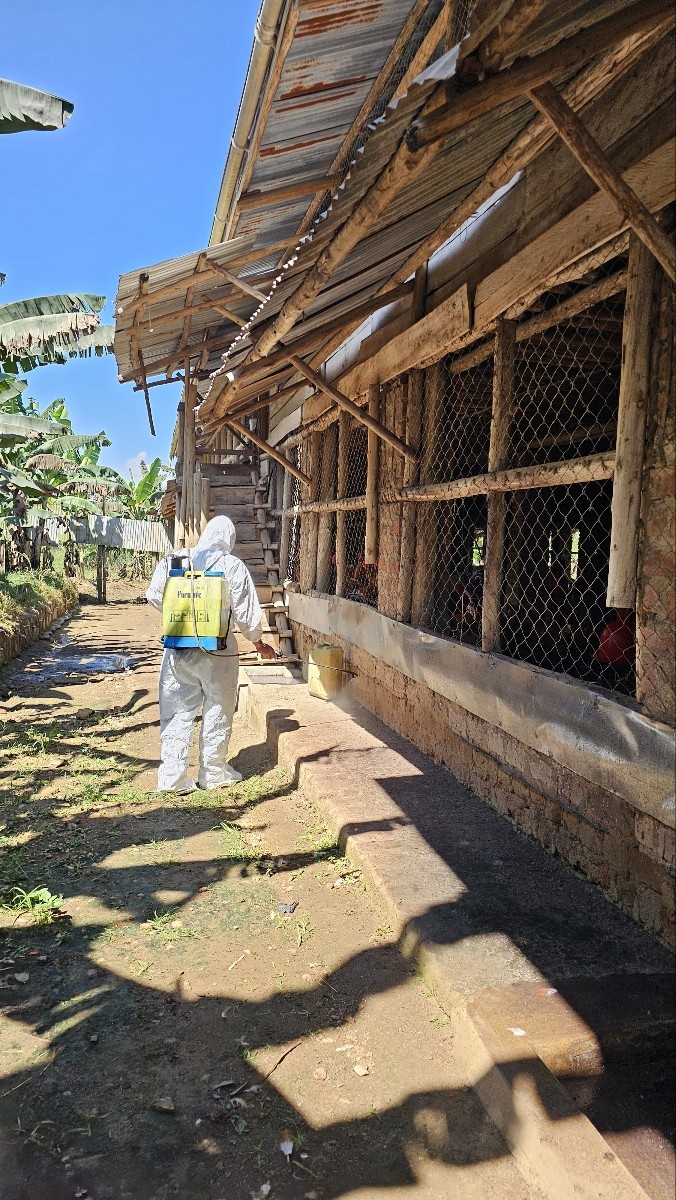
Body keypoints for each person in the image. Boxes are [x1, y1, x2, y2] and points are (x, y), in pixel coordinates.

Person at [146, 515, 276, 793]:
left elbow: (154, 595)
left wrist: (183, 617)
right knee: (218, 708)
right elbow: (248, 618)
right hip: (219, 651)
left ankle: (172, 777)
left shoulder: (175, 559)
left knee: (177, 711)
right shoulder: (233, 566)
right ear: (229, 539)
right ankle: (213, 773)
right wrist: (259, 644)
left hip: (179, 648)